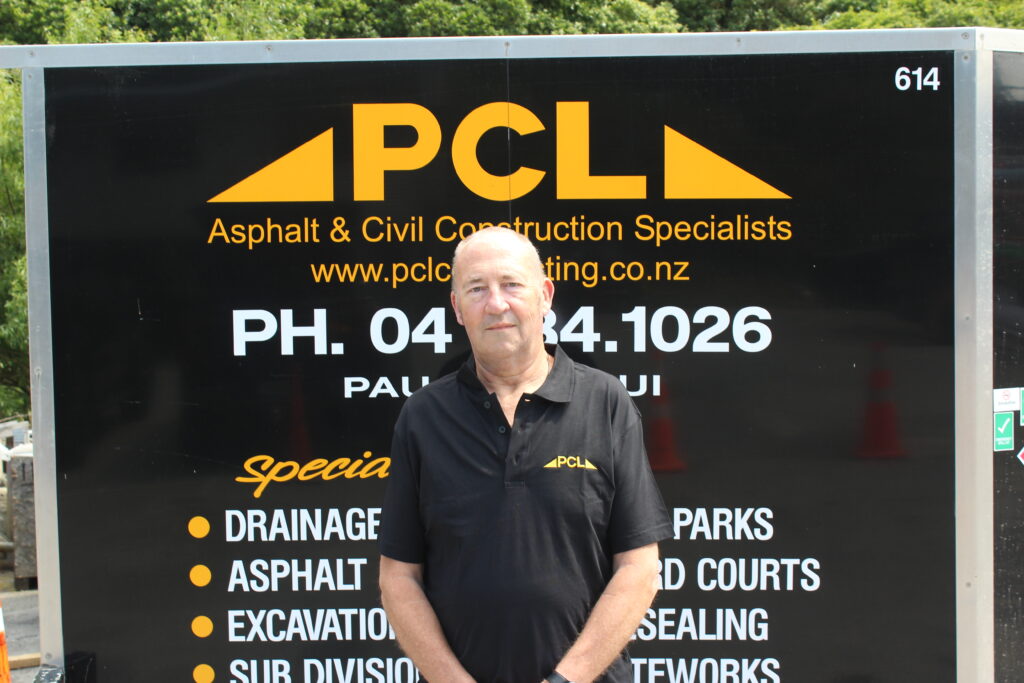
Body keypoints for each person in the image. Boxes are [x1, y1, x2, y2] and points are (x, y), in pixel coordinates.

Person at [379, 227, 672, 683]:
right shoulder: (423, 417)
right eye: (477, 289)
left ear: (545, 295)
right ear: (457, 308)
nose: (496, 303)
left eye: (511, 284)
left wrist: (565, 680)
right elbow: (399, 578)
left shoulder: (605, 403)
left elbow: (639, 567)